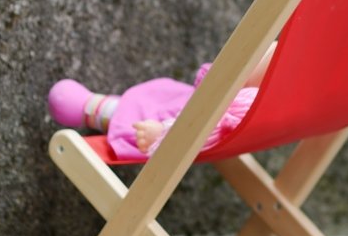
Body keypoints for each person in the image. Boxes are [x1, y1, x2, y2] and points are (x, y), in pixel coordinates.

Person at [47, 44, 275, 159]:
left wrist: (164, 136)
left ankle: (93, 109)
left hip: (177, 121)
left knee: (143, 115)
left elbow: (206, 127)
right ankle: (99, 107)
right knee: (158, 98)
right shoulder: (285, 93)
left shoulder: (246, 103)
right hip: (197, 100)